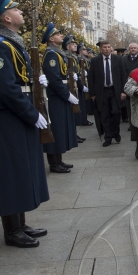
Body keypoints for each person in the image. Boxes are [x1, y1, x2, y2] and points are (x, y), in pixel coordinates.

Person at [0, 0, 50, 248]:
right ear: (7, 18)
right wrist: (31, 113)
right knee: (10, 172)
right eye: (16, 9)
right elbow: (7, 89)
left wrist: (37, 83)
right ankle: (11, 231)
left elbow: (19, 81)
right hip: (8, 116)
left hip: (16, 114)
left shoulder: (11, 43)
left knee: (21, 169)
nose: (21, 11)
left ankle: (20, 224)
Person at [41, 24, 79, 173]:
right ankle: (54, 163)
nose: (61, 36)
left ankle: (59, 160)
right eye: (57, 34)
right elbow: (55, 79)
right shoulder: (51, 54)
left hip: (59, 95)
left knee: (60, 129)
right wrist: (67, 94)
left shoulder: (57, 53)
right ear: (51, 38)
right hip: (55, 96)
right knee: (55, 129)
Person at [88, 40, 124, 147]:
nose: (107, 49)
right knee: (104, 115)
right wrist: (92, 94)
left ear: (111, 48)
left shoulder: (118, 59)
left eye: (109, 47)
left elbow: (123, 75)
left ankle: (116, 133)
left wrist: (123, 91)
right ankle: (108, 137)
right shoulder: (95, 61)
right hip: (102, 92)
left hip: (115, 91)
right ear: (101, 49)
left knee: (116, 113)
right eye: (104, 47)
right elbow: (91, 78)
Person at [63, 35, 86, 144]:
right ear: (67, 46)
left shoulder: (73, 57)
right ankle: (73, 134)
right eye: (73, 44)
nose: (75, 46)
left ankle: (74, 134)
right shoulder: (65, 56)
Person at [121, 43, 138, 130]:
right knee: (129, 107)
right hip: (128, 86)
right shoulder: (123, 59)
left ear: (137, 49)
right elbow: (121, 74)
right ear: (129, 49)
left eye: (135, 48)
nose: (133, 49)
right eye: (131, 48)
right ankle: (131, 124)